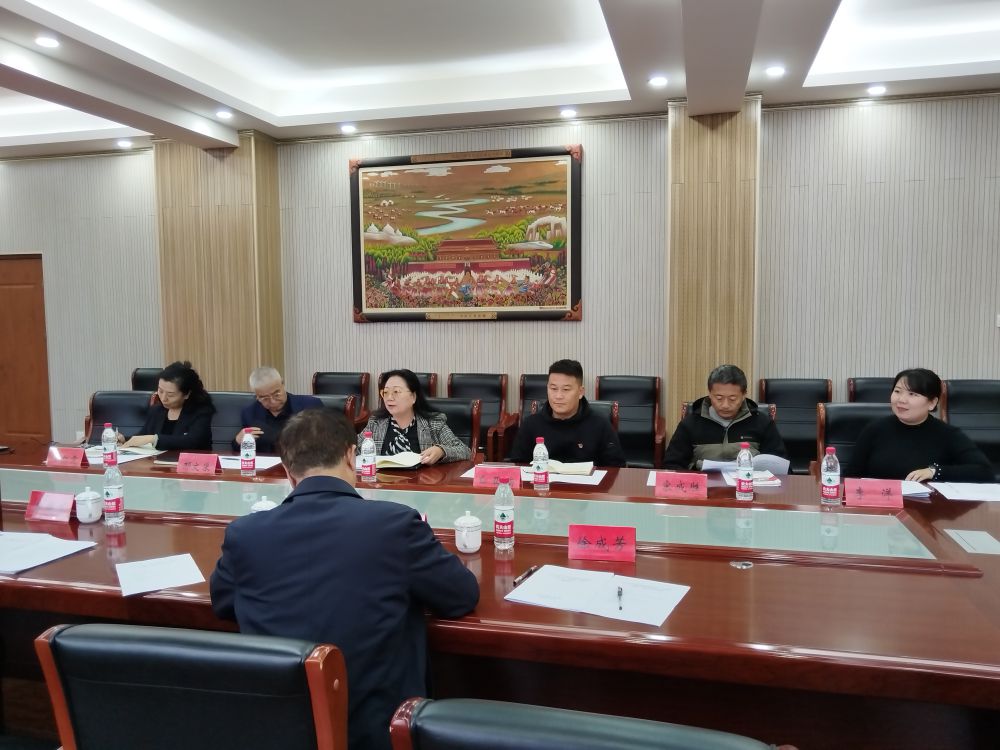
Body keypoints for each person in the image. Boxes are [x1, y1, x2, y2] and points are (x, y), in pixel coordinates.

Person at [210, 409, 478, 750]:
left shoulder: (245, 534)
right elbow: (460, 596)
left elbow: (222, 604)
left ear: (288, 472)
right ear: (352, 456)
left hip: (279, 730)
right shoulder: (394, 524)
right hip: (379, 732)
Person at [847, 368, 993, 482]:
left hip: (927, 507)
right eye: (897, 391)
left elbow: (984, 472)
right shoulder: (875, 429)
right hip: (880, 505)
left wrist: (934, 471)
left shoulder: (948, 435)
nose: (901, 400)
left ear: (932, 403)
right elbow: (850, 475)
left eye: (912, 394)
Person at [663, 364, 786, 470]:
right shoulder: (690, 424)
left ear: (744, 395)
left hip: (747, 486)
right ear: (709, 394)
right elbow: (671, 465)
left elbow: (781, 466)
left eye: (732, 399)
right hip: (705, 488)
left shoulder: (761, 422)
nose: (725, 405)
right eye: (719, 398)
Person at [509, 359, 625, 466]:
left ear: (580, 392)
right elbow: (518, 465)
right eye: (553, 389)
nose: (558, 396)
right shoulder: (531, 425)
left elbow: (616, 469)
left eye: (566, 389)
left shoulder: (600, 425)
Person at [360, 369, 470, 464]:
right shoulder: (376, 423)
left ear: (413, 396)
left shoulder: (433, 423)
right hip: (383, 481)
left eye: (396, 392)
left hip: (421, 481)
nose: (389, 397)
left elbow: (464, 450)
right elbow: (354, 448)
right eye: (385, 392)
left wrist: (441, 451)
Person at [121, 360, 214, 450]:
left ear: (187, 394)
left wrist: (154, 439)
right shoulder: (157, 410)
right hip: (158, 460)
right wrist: (124, 439)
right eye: (160, 391)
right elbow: (143, 437)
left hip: (191, 460)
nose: (163, 398)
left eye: (170, 395)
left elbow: (192, 441)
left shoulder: (201, 411)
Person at [232, 366, 323, 453]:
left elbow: (325, 442)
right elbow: (243, 451)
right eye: (265, 398)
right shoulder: (249, 413)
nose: (273, 401)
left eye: (276, 394)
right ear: (257, 396)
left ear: (282, 384)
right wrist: (237, 441)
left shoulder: (310, 406)